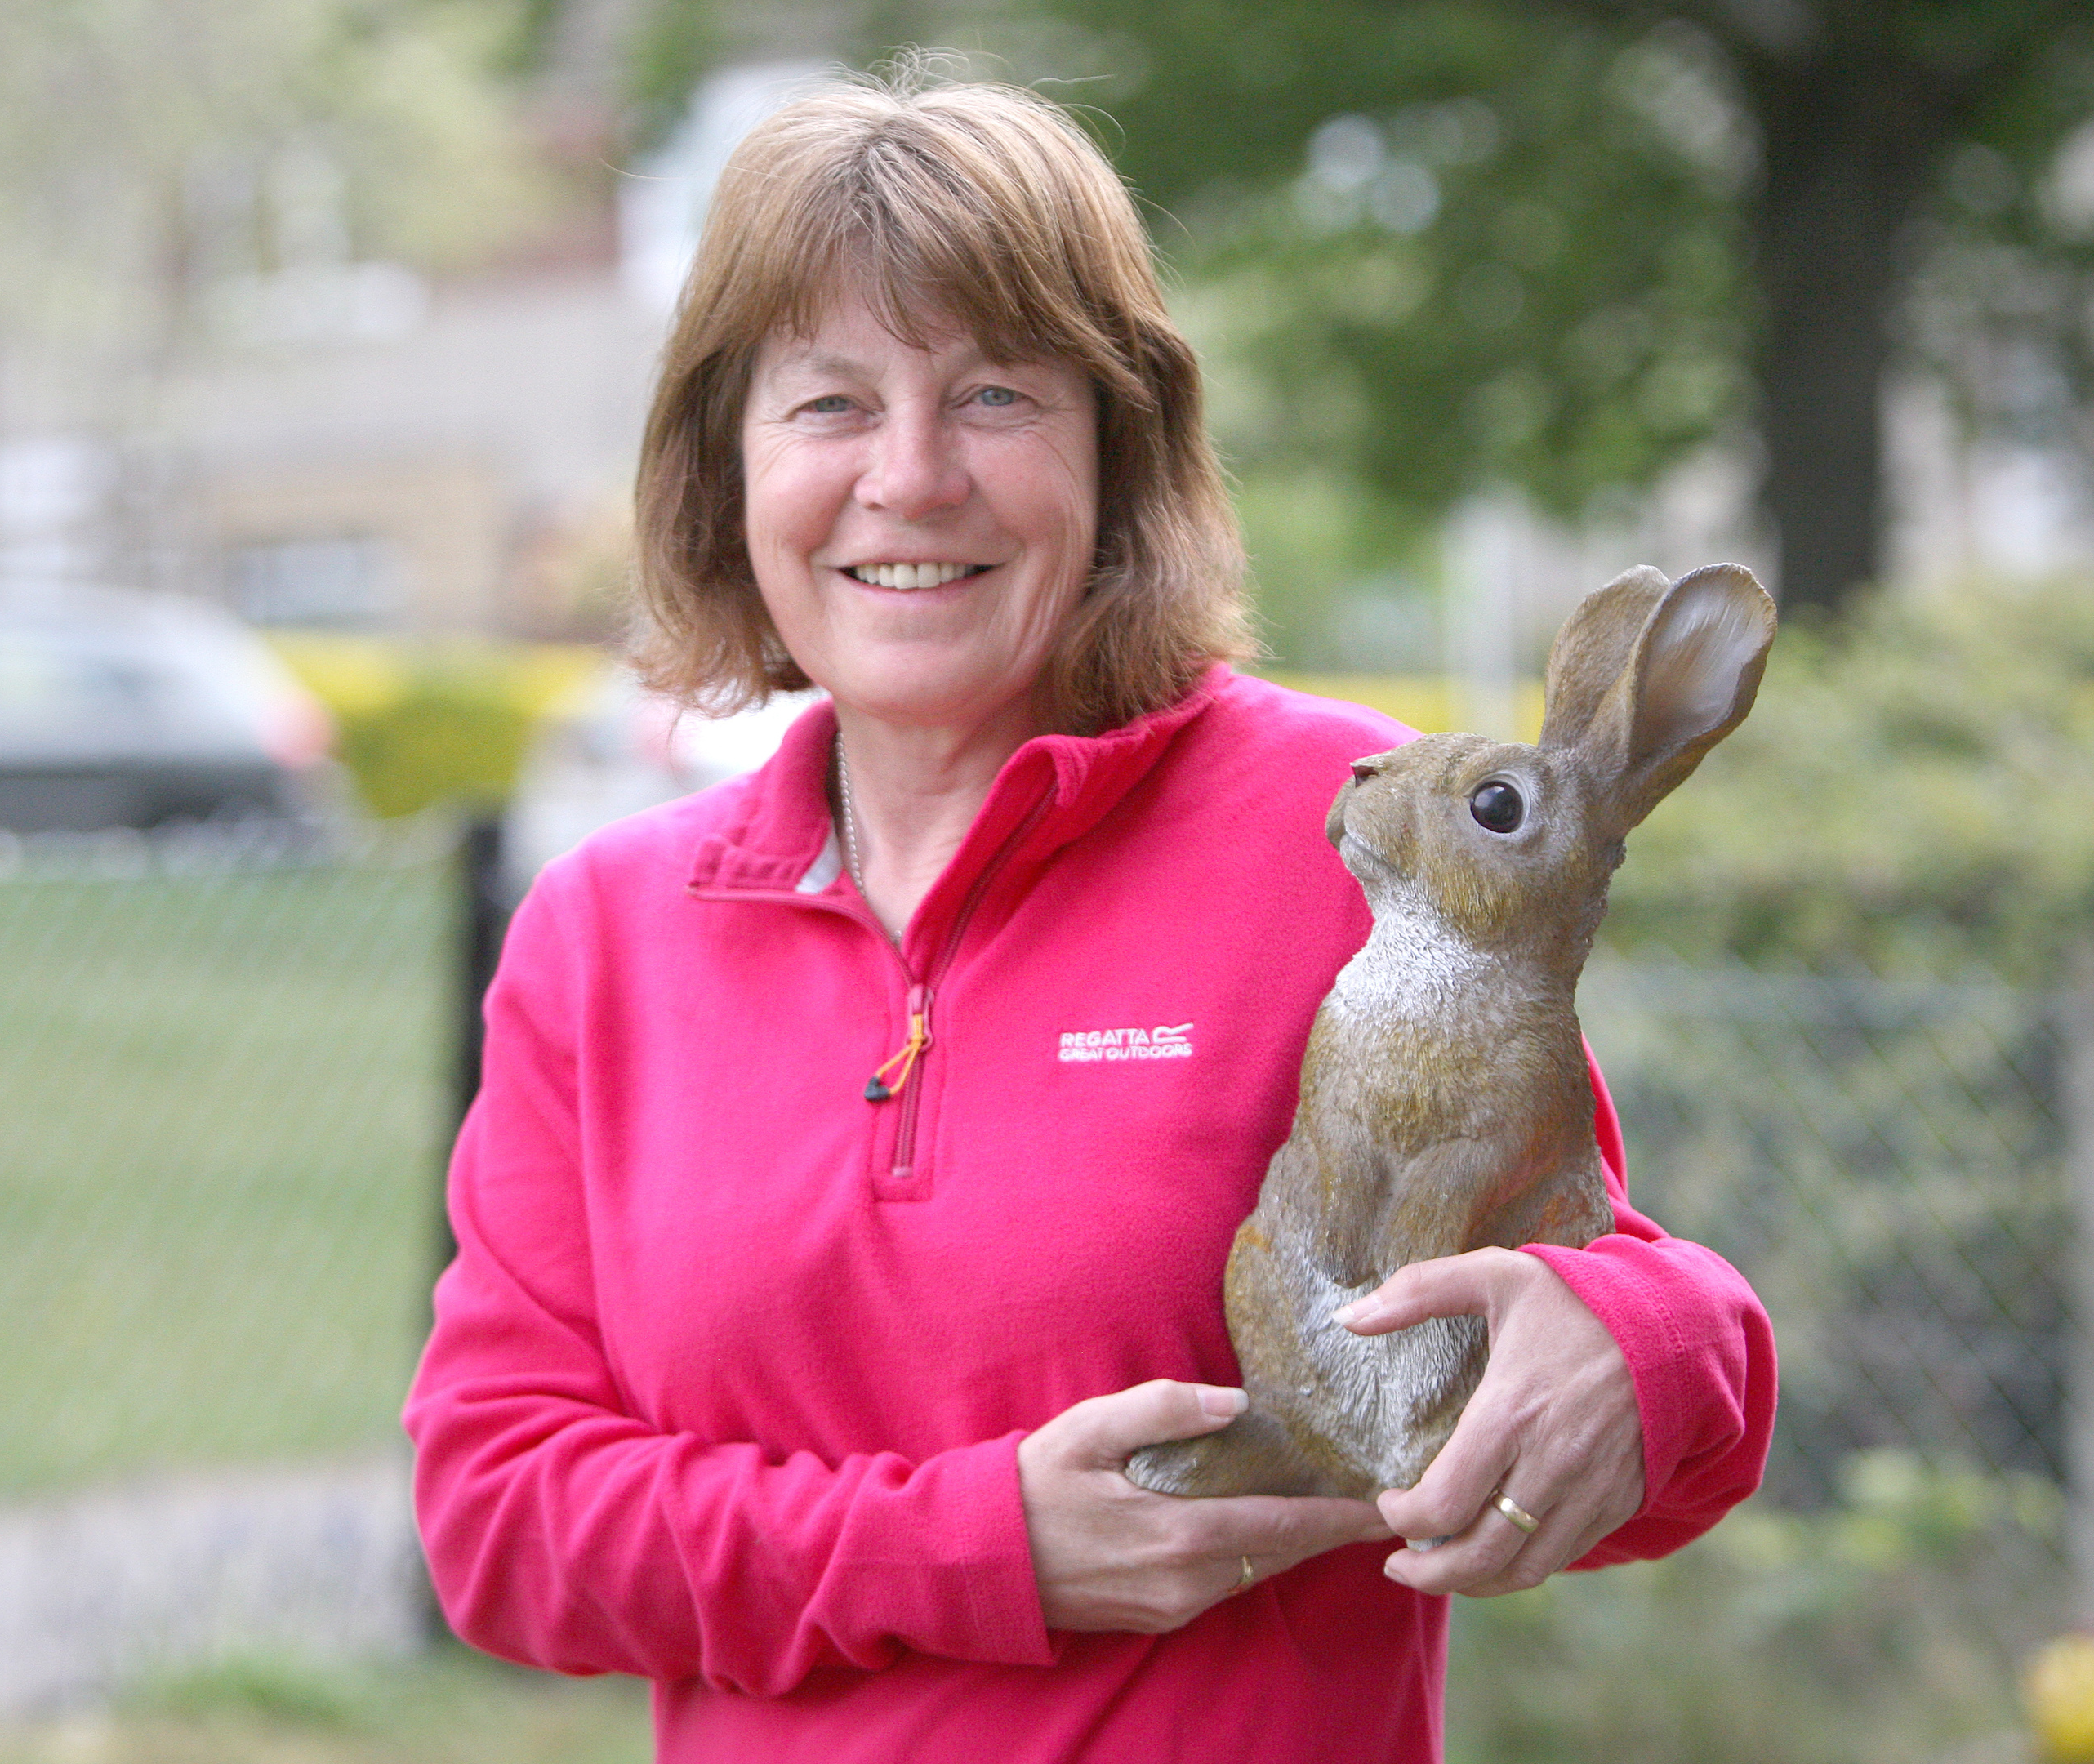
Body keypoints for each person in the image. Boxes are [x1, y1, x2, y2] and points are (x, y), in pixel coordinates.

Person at [403, 71, 1773, 1762]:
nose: (911, 479)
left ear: (1119, 449)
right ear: (723, 466)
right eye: (829, 404)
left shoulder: (1351, 832)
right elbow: (498, 1518)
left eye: (993, 397)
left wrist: (1646, 1356)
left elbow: (1626, 1328)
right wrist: (979, 1549)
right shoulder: (606, 934)